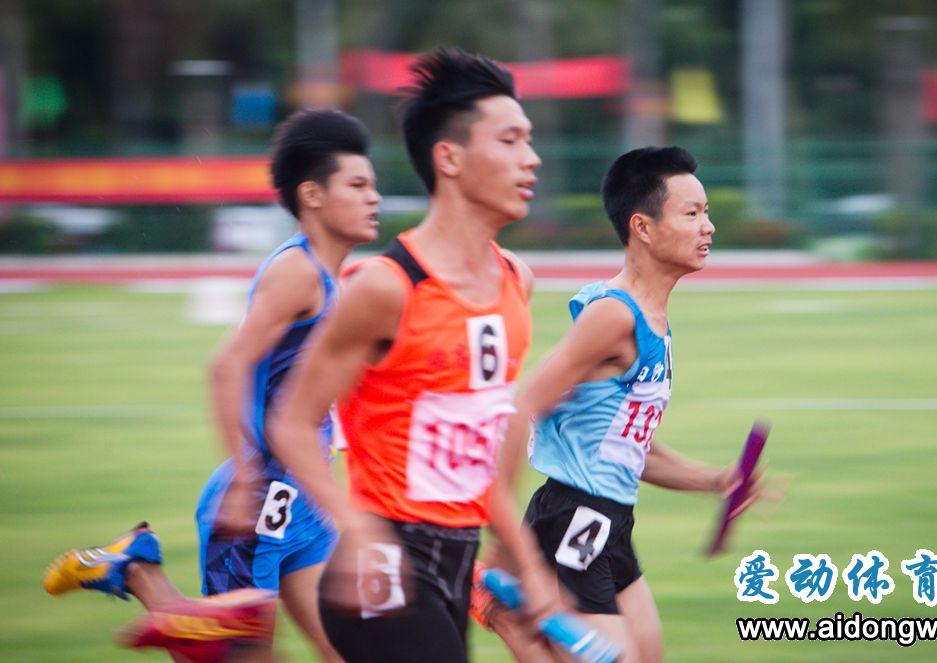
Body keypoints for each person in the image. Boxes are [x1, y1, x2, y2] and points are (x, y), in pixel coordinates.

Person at [43, 108, 381, 663]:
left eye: (373, 186)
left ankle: (137, 564)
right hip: (259, 502)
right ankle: (140, 573)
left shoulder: (330, 278)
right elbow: (226, 366)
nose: (374, 198)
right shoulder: (296, 273)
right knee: (233, 659)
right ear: (313, 195)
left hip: (302, 502)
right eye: (358, 185)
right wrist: (245, 479)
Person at [267, 48, 554, 663]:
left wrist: (526, 560)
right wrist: (356, 527)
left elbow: (479, 453)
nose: (531, 158)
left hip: (457, 561)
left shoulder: (515, 283)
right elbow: (291, 421)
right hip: (383, 569)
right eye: (509, 141)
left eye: (528, 140)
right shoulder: (386, 288)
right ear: (449, 158)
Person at [482, 146, 756, 663]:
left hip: (612, 522)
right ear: (643, 228)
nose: (709, 227)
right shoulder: (613, 316)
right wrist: (503, 529)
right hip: (575, 517)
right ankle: (506, 616)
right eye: (692, 213)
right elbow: (524, 407)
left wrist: (717, 480)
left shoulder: (653, 321)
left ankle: (509, 614)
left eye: (706, 212)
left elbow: (628, 448)